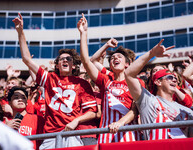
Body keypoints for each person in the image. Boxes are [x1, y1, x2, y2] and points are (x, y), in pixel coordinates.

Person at [13, 13, 97, 149]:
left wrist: (76, 121)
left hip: (71, 133)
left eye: (68, 59)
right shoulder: (50, 78)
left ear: (74, 65)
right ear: (56, 65)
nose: (64, 60)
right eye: (61, 59)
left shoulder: (82, 83)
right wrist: (20, 31)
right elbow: (27, 59)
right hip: (50, 135)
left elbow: (92, 112)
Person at [78, 14, 141, 143]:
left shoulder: (137, 82)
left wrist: (119, 123)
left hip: (129, 135)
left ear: (127, 64)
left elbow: (135, 110)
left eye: (119, 57)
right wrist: (83, 33)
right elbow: (86, 61)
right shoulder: (105, 80)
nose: (115, 59)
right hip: (106, 136)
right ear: (110, 65)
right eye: (112, 58)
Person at [124, 39, 193, 140]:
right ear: (158, 82)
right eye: (169, 77)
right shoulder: (147, 101)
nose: (174, 80)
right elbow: (129, 74)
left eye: (175, 78)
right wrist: (152, 53)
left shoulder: (187, 111)